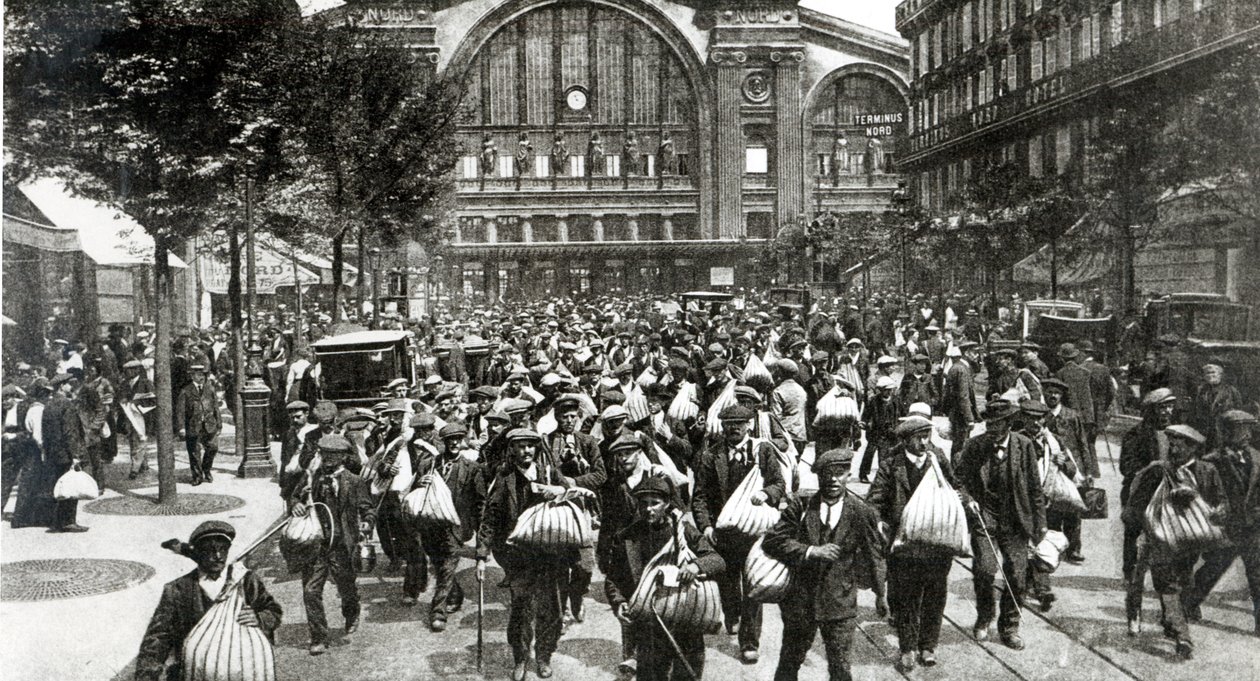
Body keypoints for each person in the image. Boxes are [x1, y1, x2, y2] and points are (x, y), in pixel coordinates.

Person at [763, 447, 887, 681]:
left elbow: (874, 556)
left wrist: (881, 594)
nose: (832, 479)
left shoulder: (861, 512)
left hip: (840, 604)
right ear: (818, 476)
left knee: (840, 669)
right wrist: (810, 551)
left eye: (839, 473)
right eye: (826, 473)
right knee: (789, 664)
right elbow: (772, 540)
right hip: (801, 602)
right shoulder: (801, 506)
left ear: (848, 475)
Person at [476, 428, 580, 680]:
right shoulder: (505, 479)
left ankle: (544, 656)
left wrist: (558, 492)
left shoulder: (549, 473)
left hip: (551, 554)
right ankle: (520, 657)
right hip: (519, 556)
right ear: (512, 450)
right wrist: (481, 555)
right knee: (522, 609)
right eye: (521, 446)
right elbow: (490, 518)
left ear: (536, 448)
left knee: (551, 609)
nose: (526, 451)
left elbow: (574, 497)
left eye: (531, 446)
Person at [602, 474, 725, 681]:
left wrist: (695, 566)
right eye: (643, 503)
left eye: (655, 503)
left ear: (666, 504)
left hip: (684, 618)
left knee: (687, 674)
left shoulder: (682, 531)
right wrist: (619, 602)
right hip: (650, 623)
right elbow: (613, 578)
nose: (649, 509)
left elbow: (717, 560)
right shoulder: (629, 537)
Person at [690, 404, 786, 663]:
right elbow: (699, 497)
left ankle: (749, 642)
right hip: (725, 533)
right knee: (728, 583)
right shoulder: (711, 456)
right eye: (728, 424)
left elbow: (779, 483)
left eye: (739, 424)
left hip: (756, 533)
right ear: (722, 427)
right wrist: (706, 526)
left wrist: (766, 494)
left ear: (750, 425)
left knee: (753, 586)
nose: (734, 428)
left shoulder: (763, 451)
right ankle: (732, 615)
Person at [866, 416, 962, 671]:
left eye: (927, 436)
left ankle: (928, 645)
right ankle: (907, 648)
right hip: (904, 545)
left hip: (937, 543)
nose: (924, 442)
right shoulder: (891, 465)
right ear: (906, 439)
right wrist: (878, 522)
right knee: (907, 598)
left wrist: (965, 500)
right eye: (919, 437)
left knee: (935, 596)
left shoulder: (937, 460)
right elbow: (874, 500)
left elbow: (956, 486)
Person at [1123, 424, 1225, 658]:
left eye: (1180, 446)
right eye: (1172, 445)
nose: (1174, 450)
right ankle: (1183, 637)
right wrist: (1141, 529)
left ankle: (1171, 620)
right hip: (1158, 540)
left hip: (1189, 543)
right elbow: (1135, 506)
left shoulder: (1207, 471)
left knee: (1185, 584)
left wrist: (1201, 500)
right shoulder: (1157, 472)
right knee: (1167, 584)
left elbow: (1221, 502)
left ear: (1193, 448)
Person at [135, 520, 283, 681]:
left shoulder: (245, 581)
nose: (218, 556)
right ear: (197, 553)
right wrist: (147, 675)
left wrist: (259, 618)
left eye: (223, 550)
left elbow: (273, 611)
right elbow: (158, 637)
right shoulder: (178, 589)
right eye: (210, 551)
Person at [954, 399, 1046, 649]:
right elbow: (959, 480)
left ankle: (1010, 626)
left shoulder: (1024, 446)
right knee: (984, 570)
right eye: (989, 424)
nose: (992, 430)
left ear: (1008, 424)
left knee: (1017, 576)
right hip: (985, 518)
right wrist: (968, 500)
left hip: (1016, 520)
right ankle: (985, 616)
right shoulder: (975, 446)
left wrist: (1040, 524)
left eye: (997, 425)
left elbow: (1035, 488)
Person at [287, 434, 376, 655]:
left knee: (346, 588)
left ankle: (352, 612)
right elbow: (294, 498)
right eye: (324, 453)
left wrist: (366, 523)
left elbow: (368, 509)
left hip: (342, 547)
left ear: (344, 457)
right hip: (315, 546)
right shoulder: (310, 477)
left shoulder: (354, 482)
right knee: (310, 591)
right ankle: (318, 637)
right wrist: (296, 504)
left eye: (333, 455)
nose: (327, 458)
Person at [1183, 409, 1260, 636]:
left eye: (1249, 429)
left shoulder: (1257, 458)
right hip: (1226, 526)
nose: (1247, 434)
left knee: (1257, 573)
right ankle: (1187, 604)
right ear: (1226, 432)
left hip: (1253, 525)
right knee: (1213, 569)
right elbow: (1202, 494)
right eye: (1241, 429)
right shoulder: (1211, 462)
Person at [412, 423, 486, 632]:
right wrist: (420, 482)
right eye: (449, 440)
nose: (454, 443)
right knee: (438, 564)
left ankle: (438, 612)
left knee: (447, 566)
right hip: (431, 524)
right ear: (443, 443)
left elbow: (481, 501)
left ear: (463, 442)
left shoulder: (472, 469)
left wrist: (481, 531)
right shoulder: (428, 464)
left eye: (458, 439)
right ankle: (455, 594)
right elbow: (414, 491)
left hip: (456, 527)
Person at [546, 394, 606, 624]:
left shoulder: (587, 442)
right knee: (560, 562)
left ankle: (577, 597)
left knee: (585, 564)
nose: (569, 421)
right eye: (564, 417)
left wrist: (576, 482)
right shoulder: (547, 442)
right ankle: (563, 610)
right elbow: (548, 472)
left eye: (573, 416)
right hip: (559, 506)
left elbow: (601, 475)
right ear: (557, 418)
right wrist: (563, 480)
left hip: (583, 508)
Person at [1120, 388, 1176, 633]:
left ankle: (1170, 617)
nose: (1167, 412)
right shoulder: (1136, 434)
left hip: (1168, 503)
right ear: (1151, 410)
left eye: (1170, 407)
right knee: (1137, 565)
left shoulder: (1177, 435)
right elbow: (1126, 466)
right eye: (1162, 407)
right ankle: (1134, 614)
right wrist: (1152, 468)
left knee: (1169, 564)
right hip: (1140, 501)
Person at [1016, 398, 1077, 612]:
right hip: (1022, 502)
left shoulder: (1055, 441)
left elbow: (1072, 470)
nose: (1036, 423)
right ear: (1023, 419)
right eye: (1031, 418)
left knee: (1044, 545)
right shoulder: (1016, 440)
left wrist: (1065, 464)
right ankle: (1033, 588)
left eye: (1039, 418)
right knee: (1025, 546)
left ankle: (1038, 587)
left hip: (1048, 501)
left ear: (1045, 419)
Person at [42, 374, 88, 532]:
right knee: (70, 487)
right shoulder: (66, 405)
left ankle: (55, 521)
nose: (71, 386)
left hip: (52, 453)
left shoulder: (49, 405)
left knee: (57, 486)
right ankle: (68, 521)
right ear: (62, 386)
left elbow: (46, 433)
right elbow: (70, 433)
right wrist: (75, 455)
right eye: (69, 384)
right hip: (65, 454)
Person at [174, 363, 222, 485]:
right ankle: (197, 476)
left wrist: (219, 424)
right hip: (193, 425)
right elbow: (180, 411)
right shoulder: (186, 391)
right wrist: (181, 427)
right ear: (192, 376)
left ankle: (206, 469)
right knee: (194, 452)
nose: (201, 377)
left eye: (203, 374)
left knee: (213, 448)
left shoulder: (209, 389)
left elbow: (216, 407)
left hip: (209, 425)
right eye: (198, 374)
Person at [1188, 363, 1242, 452]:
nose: (1210, 375)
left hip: (1225, 432)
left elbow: (1239, 412)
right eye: (1207, 373)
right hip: (1206, 432)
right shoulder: (1200, 391)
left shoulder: (1231, 391)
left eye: (1213, 372)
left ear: (1220, 374)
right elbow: (1196, 411)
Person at [860, 375, 903, 483]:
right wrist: (864, 423)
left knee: (885, 455)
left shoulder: (896, 401)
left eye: (890, 390)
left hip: (890, 432)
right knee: (869, 453)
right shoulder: (874, 401)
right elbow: (866, 414)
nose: (888, 393)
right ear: (880, 390)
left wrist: (899, 426)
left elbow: (902, 414)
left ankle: (884, 476)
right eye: (886, 390)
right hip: (876, 431)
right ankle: (863, 474)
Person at [118, 359, 155, 480]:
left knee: (139, 441)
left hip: (143, 417)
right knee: (133, 441)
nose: (128, 373)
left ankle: (135, 468)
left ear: (137, 370)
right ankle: (143, 464)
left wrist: (138, 402)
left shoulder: (146, 383)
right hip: (128, 417)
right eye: (126, 371)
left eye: (130, 370)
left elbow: (153, 400)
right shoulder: (124, 384)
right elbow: (120, 397)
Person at [942, 342, 978, 442]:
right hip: (960, 414)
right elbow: (963, 396)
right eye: (974, 352)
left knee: (959, 444)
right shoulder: (962, 369)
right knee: (961, 444)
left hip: (956, 412)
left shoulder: (959, 367)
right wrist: (969, 418)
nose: (977, 355)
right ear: (967, 353)